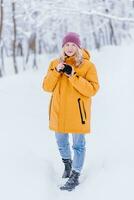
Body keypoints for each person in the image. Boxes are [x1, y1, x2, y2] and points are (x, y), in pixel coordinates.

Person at [42, 32, 100, 191]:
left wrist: (72, 75)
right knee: (61, 142)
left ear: (78, 47)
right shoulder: (54, 63)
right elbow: (46, 87)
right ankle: (67, 164)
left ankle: (75, 174)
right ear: (62, 46)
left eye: (73, 45)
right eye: (67, 45)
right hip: (59, 111)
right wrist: (56, 71)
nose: (69, 48)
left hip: (78, 113)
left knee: (78, 145)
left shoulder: (87, 66)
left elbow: (92, 90)